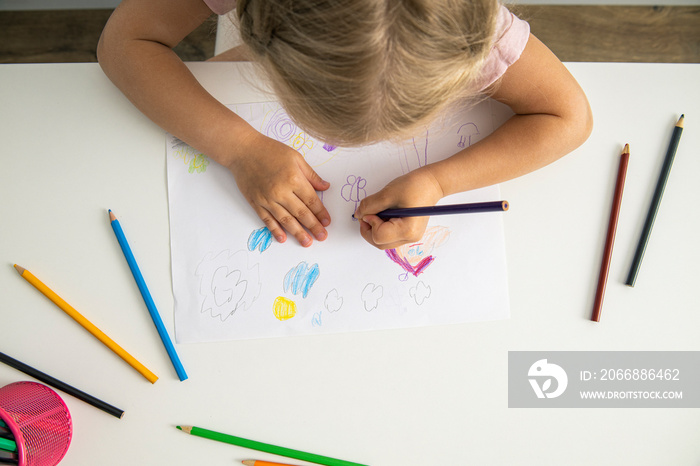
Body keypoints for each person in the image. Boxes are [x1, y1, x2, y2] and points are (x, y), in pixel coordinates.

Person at [98, 0, 592, 250]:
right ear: (263, 36)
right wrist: (239, 145)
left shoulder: (453, 20)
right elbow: (124, 44)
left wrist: (438, 180)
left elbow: (568, 117)